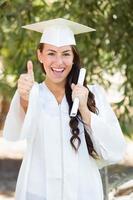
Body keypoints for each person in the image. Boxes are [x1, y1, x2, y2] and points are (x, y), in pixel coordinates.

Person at [3, 18, 126, 200]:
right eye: (51, 53)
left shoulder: (92, 94)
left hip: (83, 192)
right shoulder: (32, 92)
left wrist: (84, 108)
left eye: (66, 54)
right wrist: (24, 98)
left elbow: (114, 149)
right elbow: (15, 133)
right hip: (38, 192)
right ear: (40, 55)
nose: (59, 62)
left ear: (74, 57)